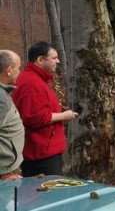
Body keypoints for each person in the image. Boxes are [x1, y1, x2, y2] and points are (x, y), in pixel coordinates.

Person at [12, 42, 78, 177]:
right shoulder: (31, 83)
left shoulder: (36, 79)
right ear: (40, 60)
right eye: (54, 58)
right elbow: (35, 117)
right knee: (46, 196)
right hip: (41, 155)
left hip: (44, 152)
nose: (58, 61)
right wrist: (64, 116)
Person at [0, 50, 24, 180]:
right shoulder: (1, 99)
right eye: (18, 68)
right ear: (9, 70)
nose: (19, 72)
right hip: (4, 173)